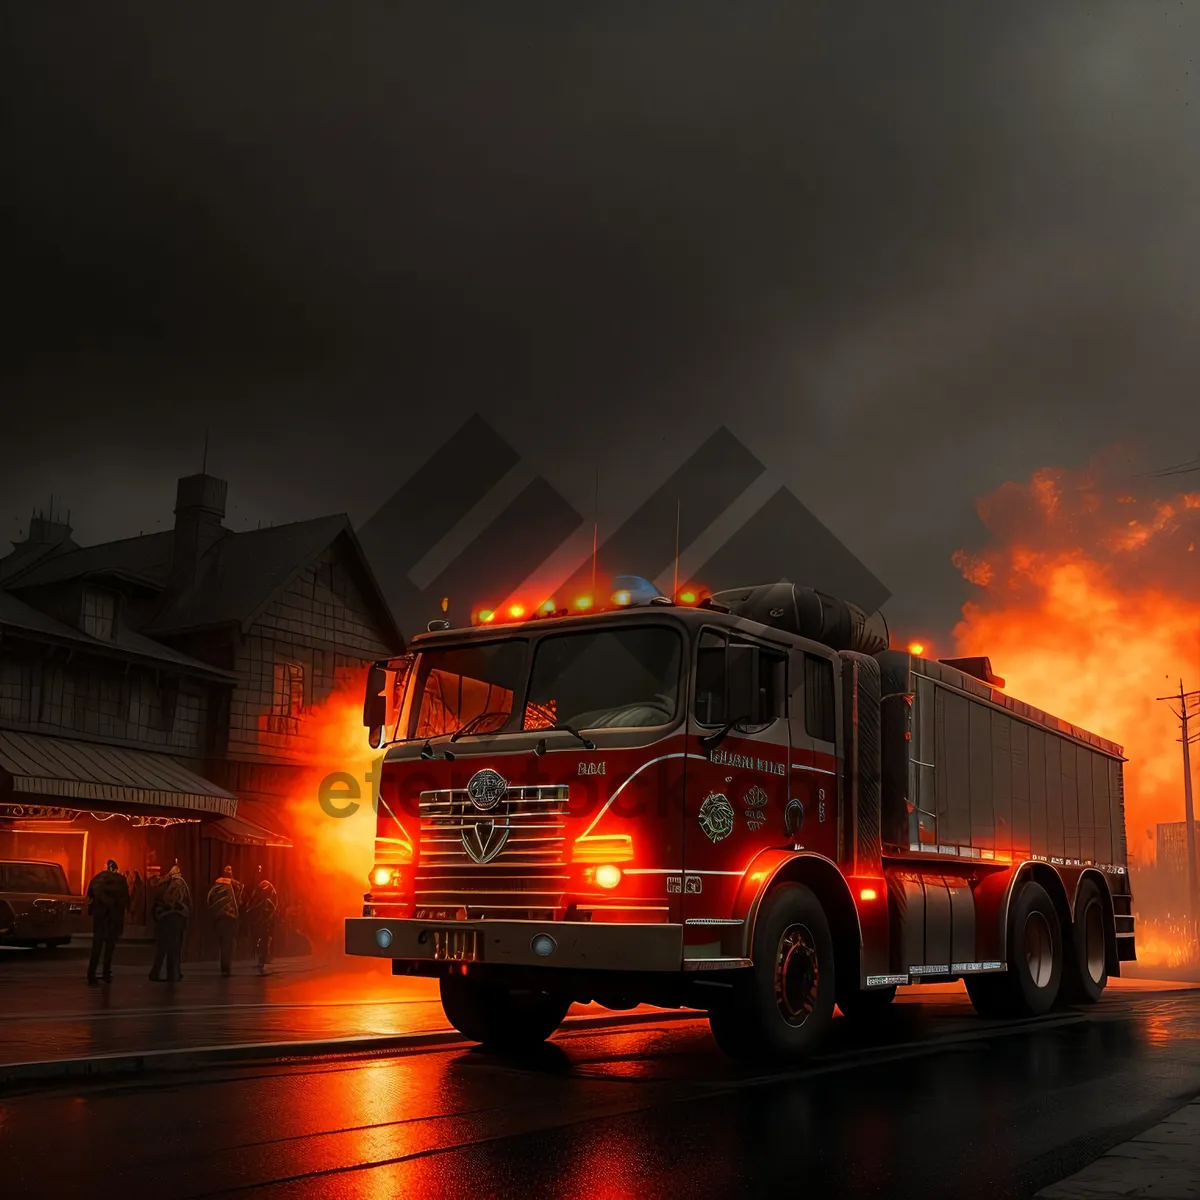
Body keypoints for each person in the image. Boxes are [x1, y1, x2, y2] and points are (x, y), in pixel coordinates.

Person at [85, 859, 130, 984]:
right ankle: (106, 973)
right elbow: (125, 900)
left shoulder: (97, 879)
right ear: (116, 868)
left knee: (97, 946)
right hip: (113, 918)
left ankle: (91, 974)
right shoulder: (121, 880)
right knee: (109, 947)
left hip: (100, 917)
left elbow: (90, 895)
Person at [149, 864, 191, 982]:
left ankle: (164, 973)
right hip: (175, 919)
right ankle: (171, 974)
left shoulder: (170, 884)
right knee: (173, 948)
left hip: (169, 919)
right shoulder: (179, 884)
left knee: (165, 948)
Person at [207, 865, 241, 977]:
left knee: (223, 944)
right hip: (230, 918)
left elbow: (209, 899)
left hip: (219, 918)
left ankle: (224, 968)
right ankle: (226, 969)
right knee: (228, 944)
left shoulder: (217, 885)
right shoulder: (234, 884)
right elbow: (239, 900)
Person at [245, 869, 279, 975]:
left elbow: (256, 903)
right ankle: (262, 958)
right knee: (263, 939)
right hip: (263, 920)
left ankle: (262, 958)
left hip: (263, 920)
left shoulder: (264, 890)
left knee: (263, 939)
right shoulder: (269, 890)